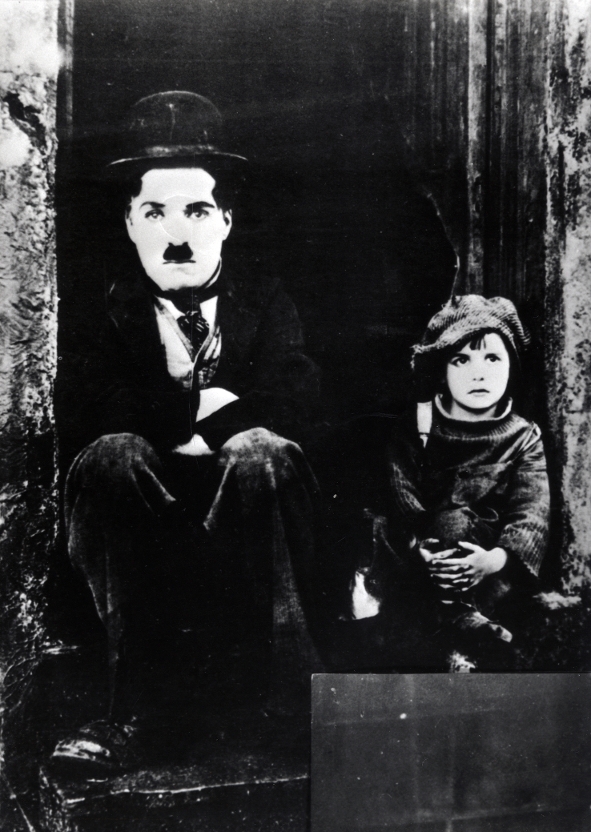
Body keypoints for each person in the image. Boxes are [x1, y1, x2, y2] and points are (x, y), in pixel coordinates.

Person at [51, 91, 322, 774]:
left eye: (197, 211)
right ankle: (132, 713)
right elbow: (88, 403)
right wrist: (205, 409)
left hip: (246, 511)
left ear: (226, 221)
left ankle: (290, 705)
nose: (178, 235)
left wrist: (217, 427)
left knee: (263, 451)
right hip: (141, 515)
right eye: (155, 212)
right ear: (129, 223)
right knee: (110, 455)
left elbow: (296, 394)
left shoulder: (265, 298)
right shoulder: (100, 306)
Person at [384, 294, 550, 664]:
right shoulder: (418, 428)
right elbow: (402, 494)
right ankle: (457, 622)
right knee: (445, 527)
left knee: (479, 553)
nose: (479, 373)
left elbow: (532, 513)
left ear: (512, 366)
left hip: (488, 566)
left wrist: (493, 560)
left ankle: (464, 624)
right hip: (428, 559)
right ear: (441, 371)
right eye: (461, 360)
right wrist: (419, 550)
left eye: (493, 358)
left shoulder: (523, 437)